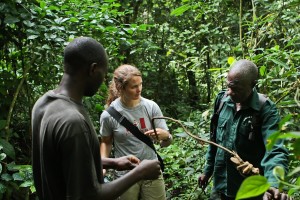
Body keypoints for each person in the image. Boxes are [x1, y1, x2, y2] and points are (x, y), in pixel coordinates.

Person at [31, 37, 162, 200]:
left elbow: (64, 162)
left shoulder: (43, 104)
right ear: (93, 69)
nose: (103, 80)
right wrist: (140, 172)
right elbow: (90, 195)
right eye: (103, 73)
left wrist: (112, 163)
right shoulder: (74, 122)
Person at [198, 59, 289, 200]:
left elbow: (275, 150)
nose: (229, 92)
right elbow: (214, 139)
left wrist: (274, 183)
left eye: (236, 89)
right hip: (220, 187)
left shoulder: (265, 110)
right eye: (228, 86)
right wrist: (207, 171)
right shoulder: (221, 101)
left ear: (253, 85)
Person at [100, 64, 172, 200]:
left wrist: (166, 136)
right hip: (125, 175)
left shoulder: (151, 107)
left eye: (140, 84)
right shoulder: (109, 115)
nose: (139, 90)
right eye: (134, 87)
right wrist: (103, 164)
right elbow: (106, 142)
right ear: (120, 87)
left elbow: (167, 142)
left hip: (151, 171)